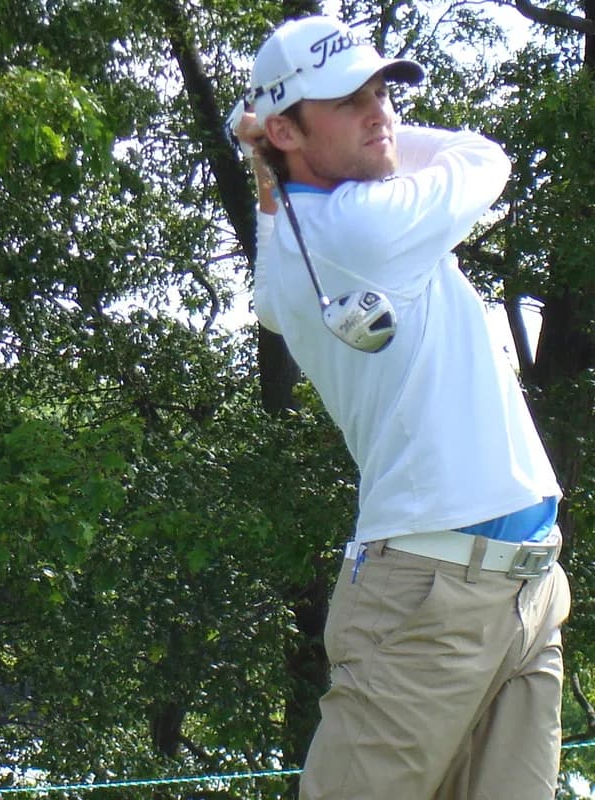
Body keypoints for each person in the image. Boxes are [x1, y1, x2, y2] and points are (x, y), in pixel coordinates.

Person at [233, 14, 571, 800]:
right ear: (286, 128)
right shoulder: (364, 226)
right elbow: (485, 157)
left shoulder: (301, 244)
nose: (380, 112)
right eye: (348, 100)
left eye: (382, 92)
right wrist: (274, 156)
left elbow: (271, 300)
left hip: (526, 590)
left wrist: (270, 163)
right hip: (429, 598)